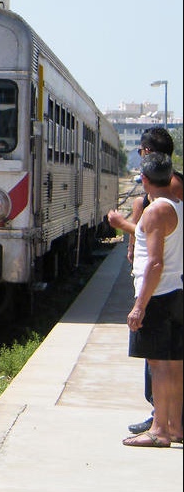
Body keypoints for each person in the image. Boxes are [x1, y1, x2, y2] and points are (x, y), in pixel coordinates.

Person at [107, 126, 184, 434]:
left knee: (159, 363)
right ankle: (174, 426)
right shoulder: (178, 205)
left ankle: (159, 430)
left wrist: (139, 306)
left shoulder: (157, 209)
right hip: (175, 290)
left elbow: (154, 261)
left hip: (159, 294)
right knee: (174, 363)